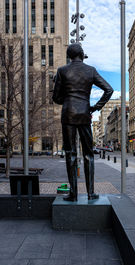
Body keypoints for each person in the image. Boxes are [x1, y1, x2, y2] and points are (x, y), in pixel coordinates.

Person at [53, 43, 113, 201]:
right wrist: (95, 107)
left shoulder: (62, 71)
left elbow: (56, 98)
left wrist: (65, 95)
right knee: (88, 154)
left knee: (70, 153)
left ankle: (73, 194)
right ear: (82, 54)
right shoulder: (90, 70)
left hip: (68, 115)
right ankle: (91, 193)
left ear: (69, 56)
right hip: (85, 114)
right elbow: (109, 89)